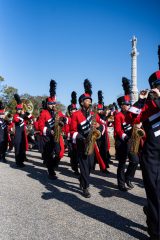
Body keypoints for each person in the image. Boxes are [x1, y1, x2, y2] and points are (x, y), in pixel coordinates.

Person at [126, 70, 160, 240]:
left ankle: (152, 214)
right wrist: (141, 100)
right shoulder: (148, 104)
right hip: (151, 156)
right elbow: (130, 118)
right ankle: (155, 232)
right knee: (155, 193)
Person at [70, 79, 105, 198]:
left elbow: (102, 126)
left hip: (92, 143)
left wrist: (99, 127)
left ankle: (82, 178)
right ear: (81, 102)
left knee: (90, 166)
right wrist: (81, 138)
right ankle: (85, 187)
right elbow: (72, 131)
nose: (89, 102)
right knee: (84, 167)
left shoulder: (93, 114)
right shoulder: (75, 115)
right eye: (87, 100)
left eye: (90, 100)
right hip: (81, 144)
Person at [38, 80, 66, 179]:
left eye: (54, 103)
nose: (53, 105)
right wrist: (50, 131)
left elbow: (64, 118)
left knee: (59, 152)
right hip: (48, 137)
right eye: (51, 104)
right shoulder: (44, 113)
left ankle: (52, 165)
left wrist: (63, 121)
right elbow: (41, 126)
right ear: (47, 104)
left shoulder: (57, 111)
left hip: (57, 136)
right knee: (49, 155)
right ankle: (51, 171)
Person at [114, 95, 139, 191]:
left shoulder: (131, 114)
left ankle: (128, 178)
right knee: (122, 163)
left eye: (129, 104)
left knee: (135, 160)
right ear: (121, 106)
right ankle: (121, 184)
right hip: (121, 142)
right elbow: (118, 130)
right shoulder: (118, 116)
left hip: (131, 141)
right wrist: (126, 137)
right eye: (126, 104)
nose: (128, 106)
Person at [13, 94, 32, 167]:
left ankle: (22, 159)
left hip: (23, 134)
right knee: (18, 149)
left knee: (22, 148)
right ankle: (18, 162)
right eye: (18, 109)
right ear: (16, 110)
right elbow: (17, 120)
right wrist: (22, 115)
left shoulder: (23, 115)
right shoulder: (15, 115)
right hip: (18, 135)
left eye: (20, 109)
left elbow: (31, 117)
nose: (19, 110)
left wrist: (28, 113)